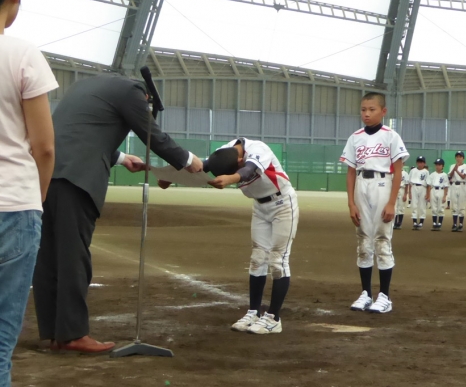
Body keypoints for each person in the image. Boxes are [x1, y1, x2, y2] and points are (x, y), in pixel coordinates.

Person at [32, 74, 204, 354]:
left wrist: (123, 159)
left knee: (49, 256)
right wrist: (187, 160)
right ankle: (73, 334)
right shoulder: (133, 92)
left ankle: (54, 332)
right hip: (77, 178)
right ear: (147, 96)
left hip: (46, 174)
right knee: (74, 255)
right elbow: (152, 134)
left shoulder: (84, 87)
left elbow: (78, 132)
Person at [167, 139, 298, 334]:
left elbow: (249, 170)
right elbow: (201, 167)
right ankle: (254, 312)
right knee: (257, 259)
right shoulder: (223, 152)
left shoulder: (258, 149)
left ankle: (273, 318)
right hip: (260, 207)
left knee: (278, 260)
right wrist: (172, 176)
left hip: (283, 204)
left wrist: (231, 178)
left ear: (239, 159)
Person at [0, 0, 58, 384]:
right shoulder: (22, 55)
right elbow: (44, 148)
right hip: (14, 208)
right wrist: (35, 200)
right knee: (0, 342)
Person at [339, 92, 409, 314]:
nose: (366, 114)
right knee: (363, 240)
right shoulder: (355, 137)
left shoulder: (391, 136)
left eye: (372, 109)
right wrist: (351, 203)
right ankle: (366, 293)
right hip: (362, 184)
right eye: (363, 110)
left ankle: (385, 296)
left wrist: (391, 203)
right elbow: (351, 172)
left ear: (383, 111)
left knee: (381, 239)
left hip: (382, 184)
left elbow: (398, 172)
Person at [448, 151, 466, 232]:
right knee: (454, 205)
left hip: (462, 185)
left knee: (461, 205)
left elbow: (464, 176)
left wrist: (456, 170)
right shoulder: (452, 166)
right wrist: (454, 168)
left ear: (463, 158)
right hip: (454, 185)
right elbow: (450, 176)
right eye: (457, 156)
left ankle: (460, 224)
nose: (458, 158)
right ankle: (454, 224)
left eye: (460, 157)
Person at [425, 158, 449, 231]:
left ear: (442, 166)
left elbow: (446, 186)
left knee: (440, 208)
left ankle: (440, 224)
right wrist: (428, 195)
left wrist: (445, 196)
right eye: (436, 165)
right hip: (433, 190)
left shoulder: (444, 175)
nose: (437, 166)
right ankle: (435, 223)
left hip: (441, 190)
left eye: (439, 165)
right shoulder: (432, 174)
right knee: (434, 208)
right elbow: (428, 185)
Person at [408, 156, 428, 230]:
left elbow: (428, 183)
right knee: (414, 204)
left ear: (424, 163)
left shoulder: (426, 172)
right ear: (417, 163)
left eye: (422, 162)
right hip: (414, 186)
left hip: (423, 187)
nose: (420, 163)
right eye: (419, 162)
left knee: (422, 205)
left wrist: (428, 193)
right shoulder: (413, 171)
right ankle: (415, 222)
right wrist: (409, 193)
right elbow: (409, 182)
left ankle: (421, 222)